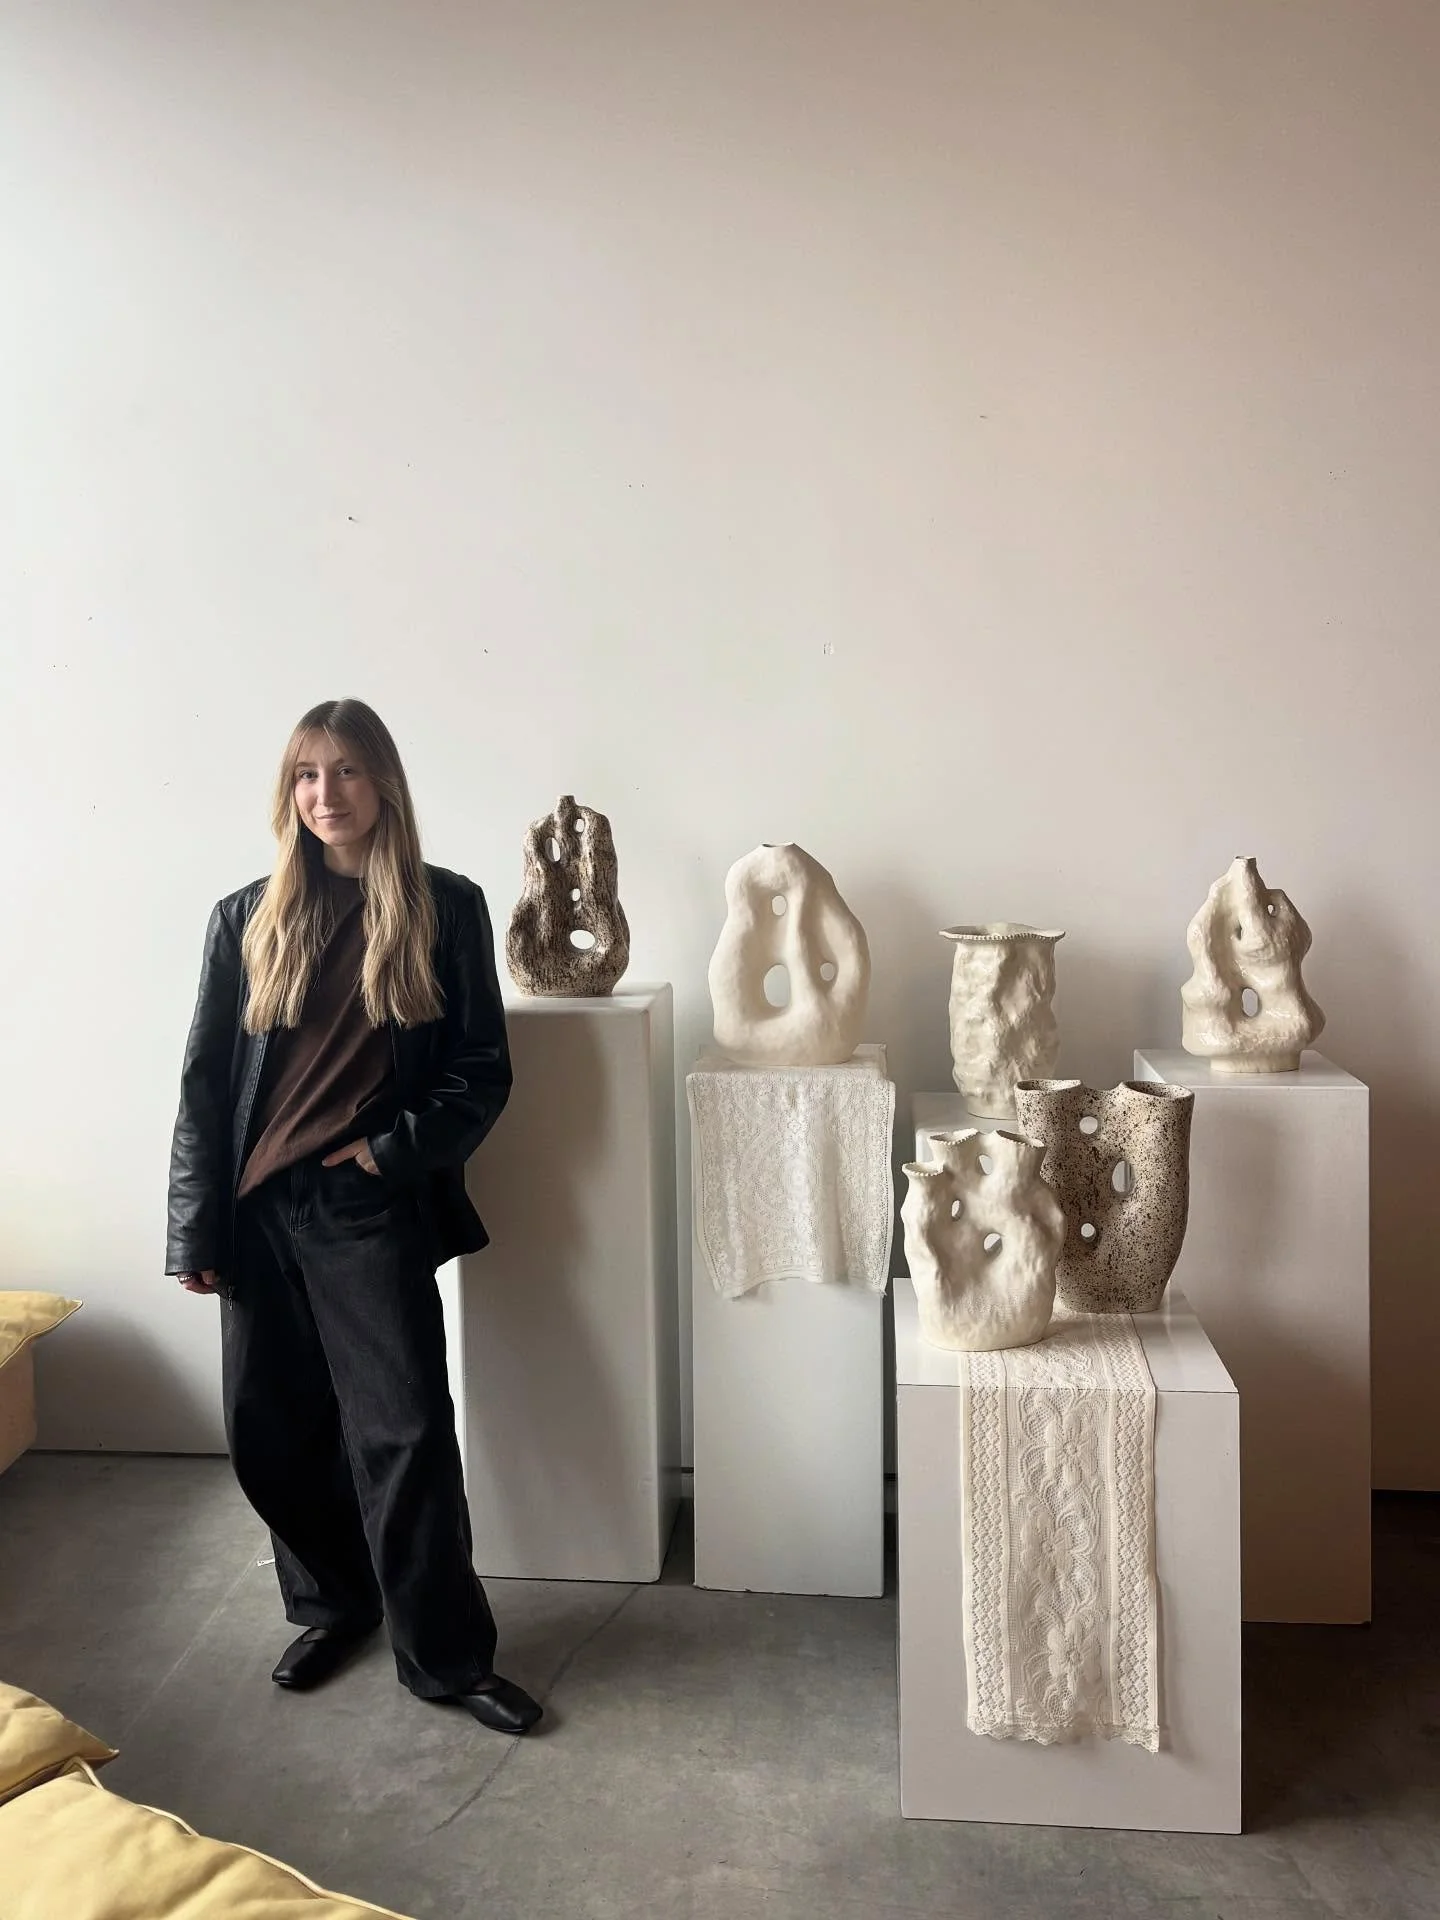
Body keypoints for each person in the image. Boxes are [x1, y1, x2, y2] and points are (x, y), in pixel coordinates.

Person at [165, 698, 540, 1736]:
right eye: (306, 774)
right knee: (268, 1436)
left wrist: (387, 1153)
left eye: (346, 772)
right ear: (289, 791)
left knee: (403, 1433)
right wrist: (194, 1226)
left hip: (361, 1205)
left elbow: (478, 1069)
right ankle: (336, 1605)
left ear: (384, 784)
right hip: (257, 1213)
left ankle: (447, 1659)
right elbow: (203, 1086)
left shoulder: (444, 907)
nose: (325, 794)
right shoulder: (245, 917)